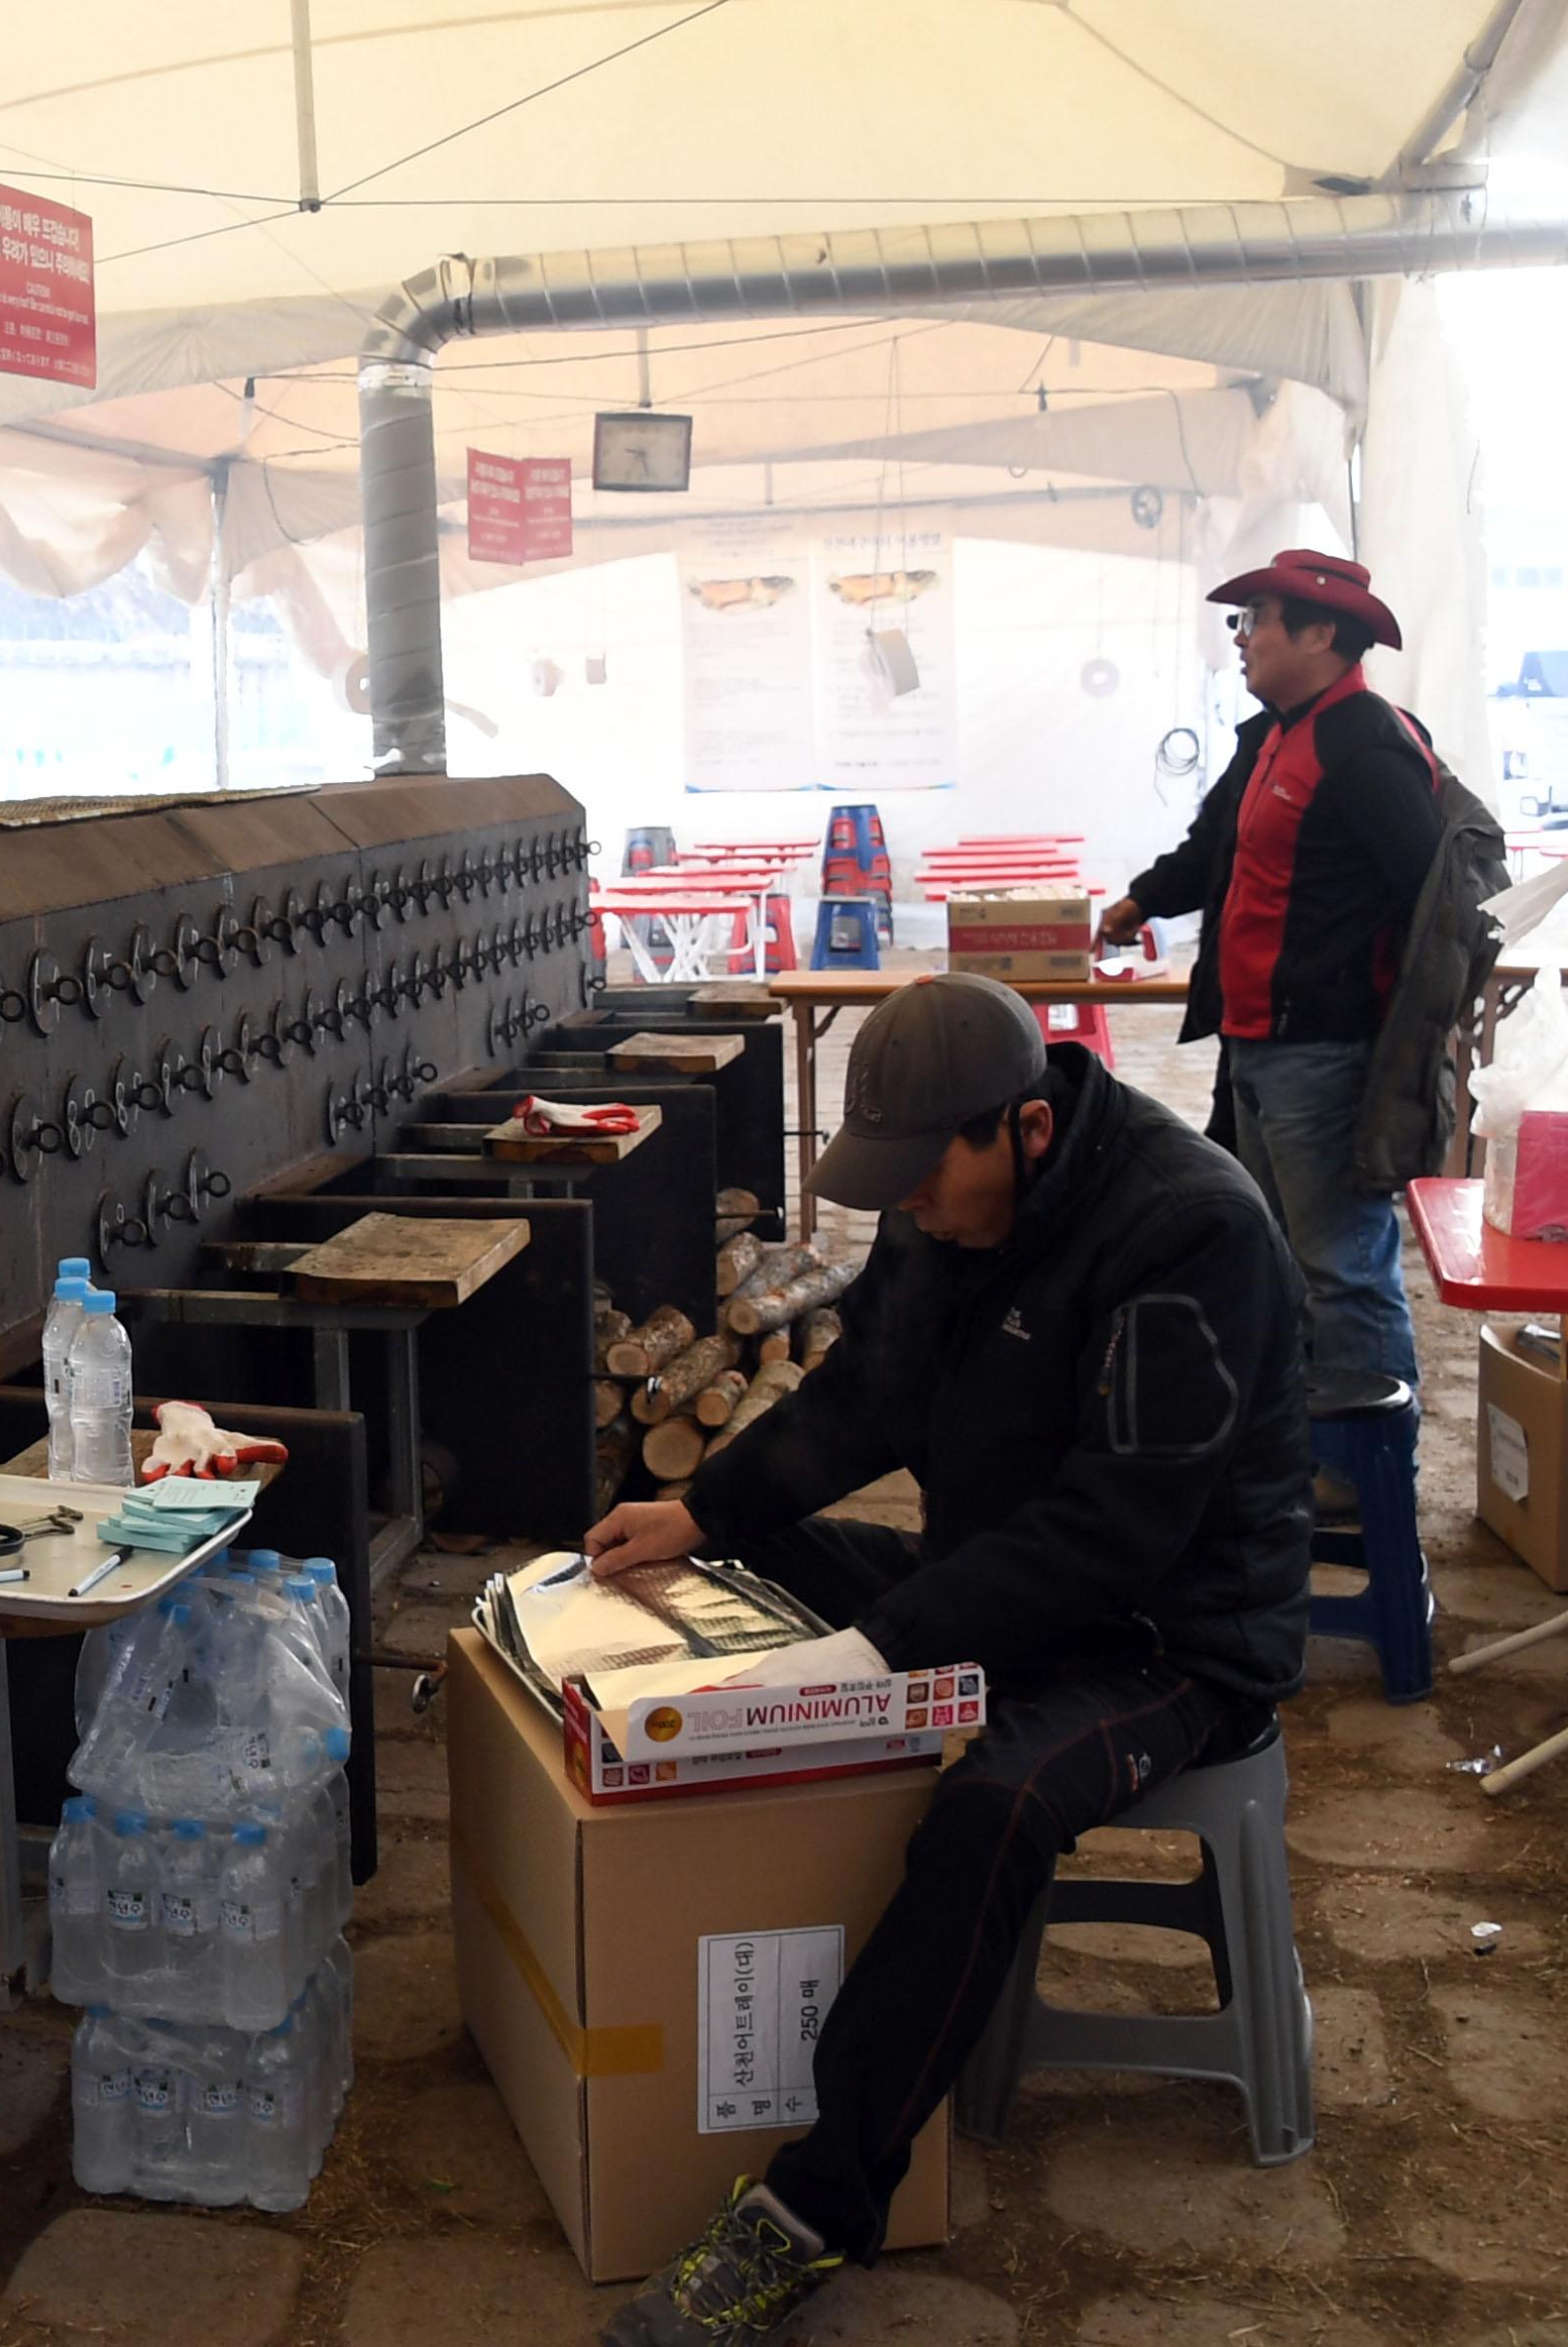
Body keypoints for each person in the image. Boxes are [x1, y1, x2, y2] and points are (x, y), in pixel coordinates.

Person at [586, 975, 1310, 2347]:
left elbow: (1113, 1535)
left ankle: (809, 2213)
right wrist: (701, 1510)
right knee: (741, 1559)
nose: (909, 1203)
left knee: (992, 1810)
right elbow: (864, 1396)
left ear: (1027, 1130)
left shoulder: (1191, 1235)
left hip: (1168, 1638)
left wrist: (880, 1650)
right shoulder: (945, 1207)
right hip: (999, 1580)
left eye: (928, 1177)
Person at [1099, 549, 1438, 1396]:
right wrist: (1139, 903)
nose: (1241, 639)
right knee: (1278, 1253)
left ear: (1321, 632)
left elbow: (1431, 896)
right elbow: (1216, 847)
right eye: (1240, 621)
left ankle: (1367, 1477)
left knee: (1344, 1267)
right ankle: (1305, 1444)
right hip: (1254, 1042)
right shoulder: (1272, 737)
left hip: (1325, 1051)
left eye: (1255, 621)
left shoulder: (1368, 745)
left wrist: (1389, 1033)